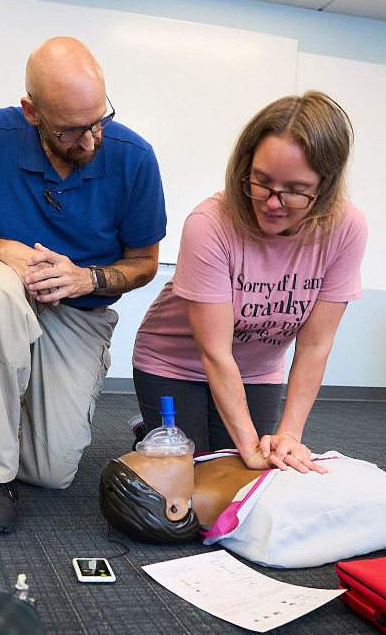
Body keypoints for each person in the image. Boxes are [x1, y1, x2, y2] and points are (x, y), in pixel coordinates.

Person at [0, 37, 167, 532]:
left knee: (53, 472)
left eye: (97, 121)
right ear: (31, 112)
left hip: (81, 312)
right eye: (70, 130)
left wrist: (87, 279)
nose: (89, 141)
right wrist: (2, 250)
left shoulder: (134, 158)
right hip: (6, 292)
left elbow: (145, 263)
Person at [132, 91, 367, 474]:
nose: (273, 202)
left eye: (294, 190)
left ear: (324, 186)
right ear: (246, 168)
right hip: (173, 361)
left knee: (239, 479)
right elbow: (215, 353)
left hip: (256, 371)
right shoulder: (210, 223)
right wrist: (250, 447)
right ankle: (154, 433)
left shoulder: (346, 229)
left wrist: (289, 436)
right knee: (196, 476)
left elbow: (315, 347)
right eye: (262, 182)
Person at [99, 448, 386, 568]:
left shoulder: (202, 464)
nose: (154, 448)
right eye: (153, 462)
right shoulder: (271, 530)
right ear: (175, 509)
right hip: (381, 491)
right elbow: (385, 507)